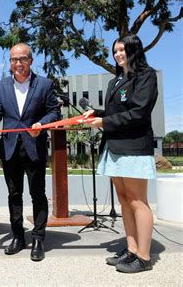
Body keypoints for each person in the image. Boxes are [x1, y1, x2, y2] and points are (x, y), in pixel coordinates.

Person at [83, 34, 157, 273]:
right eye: (115, 51)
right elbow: (117, 111)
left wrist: (103, 122)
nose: (117, 54)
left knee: (137, 201)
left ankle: (144, 257)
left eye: (122, 50)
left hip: (133, 147)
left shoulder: (145, 76)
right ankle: (131, 248)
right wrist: (97, 112)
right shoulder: (115, 81)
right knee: (124, 200)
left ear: (134, 50)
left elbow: (138, 113)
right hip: (114, 146)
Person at [0, 43, 61, 261]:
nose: (17, 63)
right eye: (13, 59)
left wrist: (41, 123)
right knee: (14, 194)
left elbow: (54, 111)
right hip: (9, 148)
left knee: (37, 194)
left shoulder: (44, 85)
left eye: (22, 59)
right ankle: (18, 236)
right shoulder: (2, 86)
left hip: (34, 147)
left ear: (31, 61)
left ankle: (38, 238)